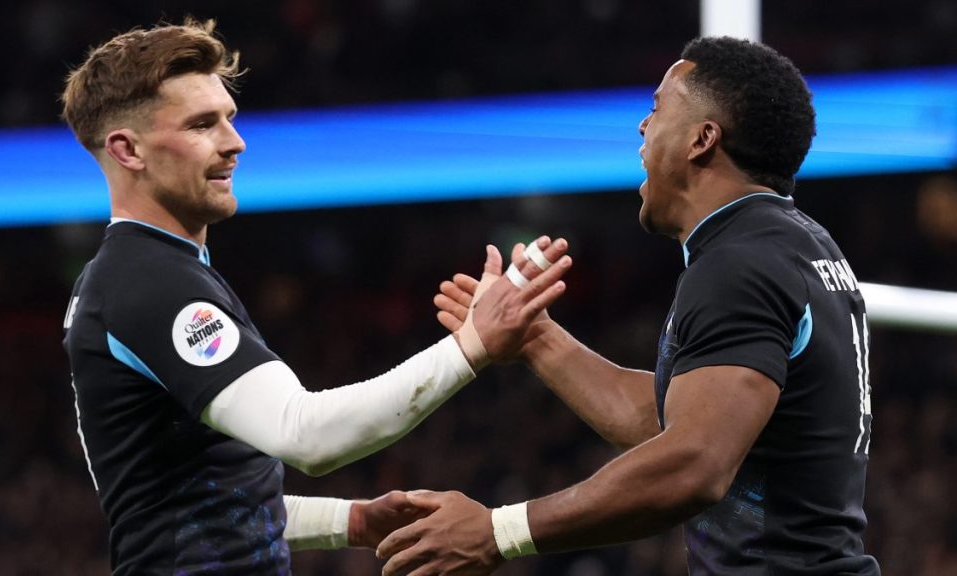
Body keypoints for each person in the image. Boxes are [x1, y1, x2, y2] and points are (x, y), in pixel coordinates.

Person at [58, 18, 571, 575]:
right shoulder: (151, 283)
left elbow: (192, 502)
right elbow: (305, 435)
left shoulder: (145, 274)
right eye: (202, 125)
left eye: (229, 119)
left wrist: (350, 520)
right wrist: (473, 344)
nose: (235, 143)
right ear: (127, 150)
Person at [378, 36, 881, 575]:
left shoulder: (739, 263)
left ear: (702, 139)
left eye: (657, 107)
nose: (643, 127)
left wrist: (497, 532)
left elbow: (694, 463)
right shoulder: (795, 243)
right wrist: (534, 336)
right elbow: (676, 418)